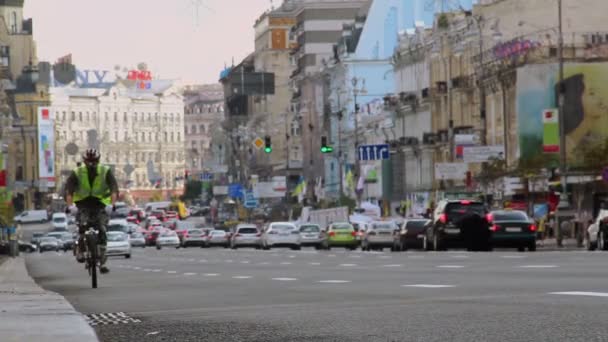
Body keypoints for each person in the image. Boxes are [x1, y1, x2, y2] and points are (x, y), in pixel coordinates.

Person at [64, 149, 119, 274]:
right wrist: (70, 206)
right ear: (84, 161)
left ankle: (102, 261)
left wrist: (112, 204)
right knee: (82, 226)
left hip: (100, 205)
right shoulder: (77, 172)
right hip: (82, 204)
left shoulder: (105, 171)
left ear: (98, 161)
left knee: (102, 228)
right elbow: (69, 191)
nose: (91, 164)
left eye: (94, 161)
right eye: (89, 161)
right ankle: (80, 249)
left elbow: (114, 189)